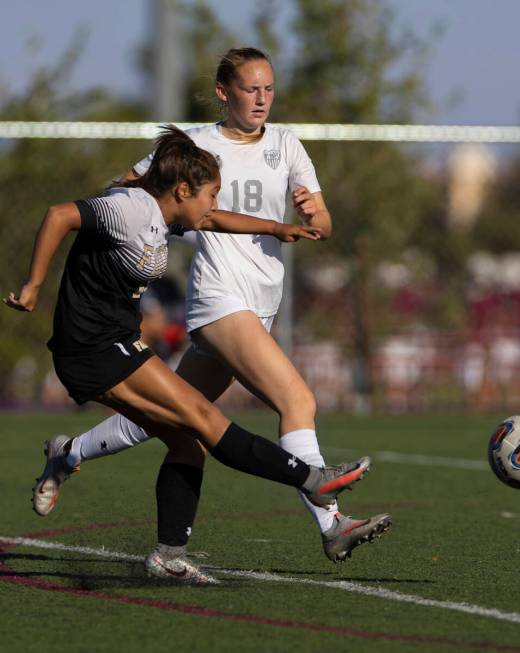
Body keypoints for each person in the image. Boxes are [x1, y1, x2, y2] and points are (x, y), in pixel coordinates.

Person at [31, 47, 392, 575]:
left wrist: (316, 214)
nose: (262, 98)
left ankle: (70, 454)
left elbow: (321, 223)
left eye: (269, 88)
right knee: (296, 399)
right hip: (220, 299)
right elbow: (128, 191)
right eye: (251, 88)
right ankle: (331, 523)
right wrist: (120, 222)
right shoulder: (196, 146)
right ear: (224, 92)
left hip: (262, 299)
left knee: (176, 421)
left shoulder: (287, 143)